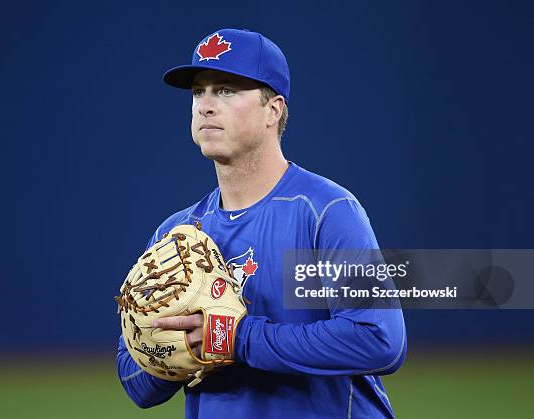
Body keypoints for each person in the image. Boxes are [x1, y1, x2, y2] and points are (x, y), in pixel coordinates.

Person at [117, 28, 406, 418]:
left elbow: (379, 340)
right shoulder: (177, 233)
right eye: (197, 92)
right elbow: (136, 386)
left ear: (274, 109)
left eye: (226, 90)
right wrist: (171, 347)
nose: (205, 106)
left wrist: (236, 337)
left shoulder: (324, 211)